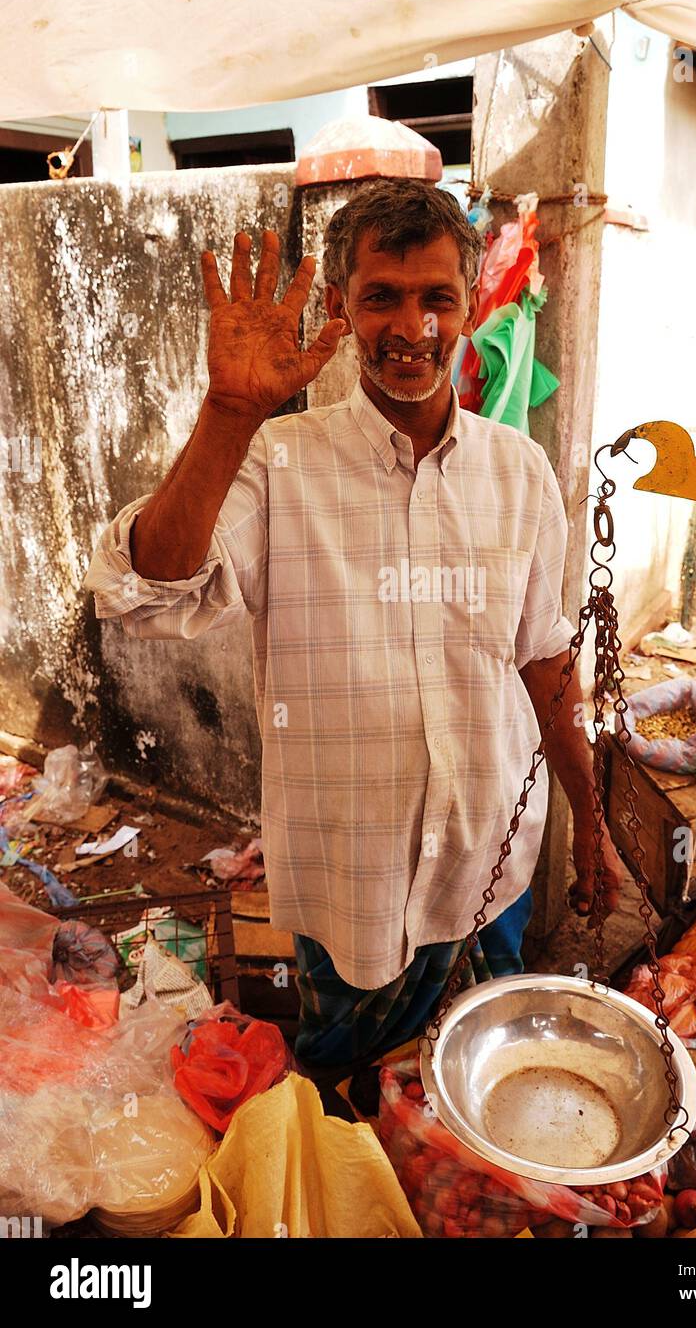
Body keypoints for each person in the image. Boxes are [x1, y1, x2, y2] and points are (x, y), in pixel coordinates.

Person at [84, 178, 622, 1068]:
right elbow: (144, 592)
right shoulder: (275, 462)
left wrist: (589, 820)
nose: (411, 326)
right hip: (351, 886)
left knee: (482, 1083)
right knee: (348, 1085)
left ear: (472, 304)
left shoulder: (520, 472)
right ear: (339, 308)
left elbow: (545, 659)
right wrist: (228, 413)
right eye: (382, 297)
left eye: (436, 297)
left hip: (491, 863)